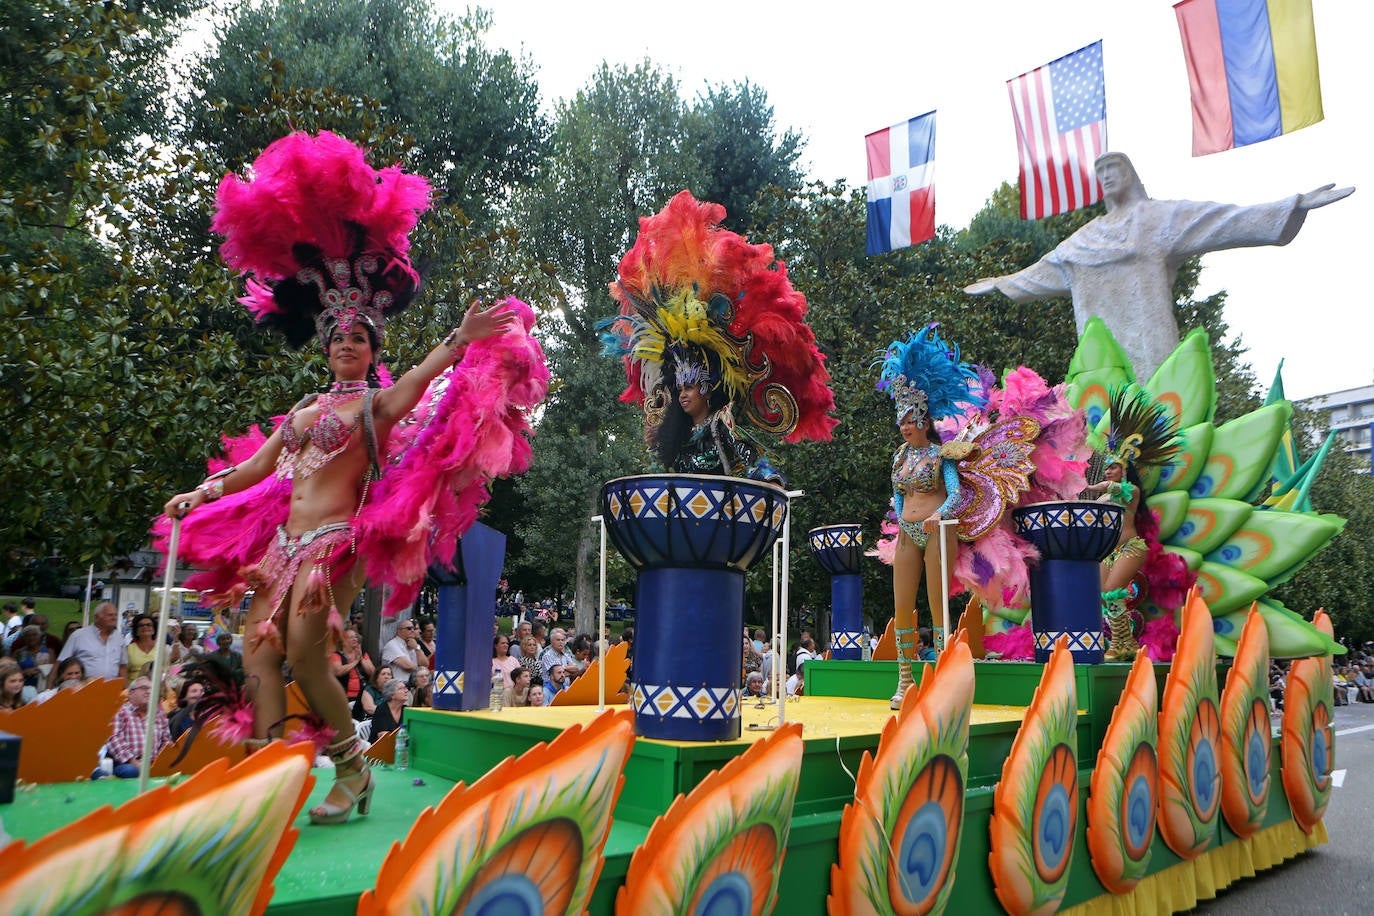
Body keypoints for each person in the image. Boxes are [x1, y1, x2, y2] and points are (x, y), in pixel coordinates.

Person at [158, 131, 539, 827]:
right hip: (283, 546)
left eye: (357, 337)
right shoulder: (305, 409)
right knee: (258, 654)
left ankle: (354, 770)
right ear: (325, 343)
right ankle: (271, 777)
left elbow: (421, 379)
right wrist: (202, 493)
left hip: (334, 543)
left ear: (371, 348)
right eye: (336, 336)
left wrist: (457, 339)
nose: (344, 343)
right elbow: (256, 468)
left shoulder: (374, 407)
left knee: (306, 653)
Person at [964, 151, 1354, 379]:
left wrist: (1291, 205)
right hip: (1101, 365)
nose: (1105, 178)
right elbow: (1044, 272)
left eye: (1112, 171)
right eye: (1100, 174)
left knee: (1159, 413)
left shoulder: (1157, 220)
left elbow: (1220, 221)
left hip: (1151, 346)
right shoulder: (1084, 239)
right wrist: (1002, 282)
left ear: (1129, 175)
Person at [599, 191, 837, 483]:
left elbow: (758, 465)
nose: (683, 394)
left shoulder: (720, 425)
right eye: (680, 387)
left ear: (708, 390)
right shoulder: (679, 435)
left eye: (689, 386)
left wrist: (768, 479)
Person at [878, 326, 983, 708]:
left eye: (911, 420)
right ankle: (905, 679)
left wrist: (938, 517)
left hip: (938, 533)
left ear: (924, 421)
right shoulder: (898, 457)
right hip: (907, 533)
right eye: (901, 421)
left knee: (938, 603)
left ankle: (939, 673)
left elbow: (956, 494)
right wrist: (903, 515)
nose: (905, 427)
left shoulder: (942, 456)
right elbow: (897, 492)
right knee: (901, 604)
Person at [1083, 386, 1182, 661]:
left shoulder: (1130, 491)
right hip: (1109, 552)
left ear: (1125, 470)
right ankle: (1124, 643)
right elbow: (1096, 506)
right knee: (1105, 596)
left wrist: (1094, 488)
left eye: (1114, 467)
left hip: (1131, 548)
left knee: (1112, 591)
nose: (1109, 471)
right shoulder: (1106, 494)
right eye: (1107, 467)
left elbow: (1110, 490)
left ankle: (1119, 645)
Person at [104, 675, 171, 778]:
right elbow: (114, 739)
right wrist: (134, 762)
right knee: (131, 771)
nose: (148, 692)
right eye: (144, 688)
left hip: (154, 762)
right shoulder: (120, 711)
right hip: (127, 763)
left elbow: (166, 742)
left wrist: (159, 763)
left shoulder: (159, 715)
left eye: (151, 689)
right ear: (130, 693)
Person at [53, 601, 126, 685]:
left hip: (110, 689)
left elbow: (122, 667)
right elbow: (61, 663)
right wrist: (49, 688)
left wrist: (124, 689)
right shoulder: (79, 635)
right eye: (109, 615)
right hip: (83, 688)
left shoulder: (119, 638)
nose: (114, 618)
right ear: (96, 617)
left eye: (115, 615)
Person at [332, 627, 375, 708]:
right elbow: (339, 671)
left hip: (363, 696)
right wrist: (355, 661)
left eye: (355, 637)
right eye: (351, 637)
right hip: (344, 697)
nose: (355, 639)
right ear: (343, 641)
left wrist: (361, 658)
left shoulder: (362, 655)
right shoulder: (336, 655)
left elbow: (373, 673)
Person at [125, 613, 165, 685]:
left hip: (156, 689)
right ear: (136, 630)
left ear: (154, 629)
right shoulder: (128, 649)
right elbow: (124, 672)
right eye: (141, 625)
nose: (145, 627)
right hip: (135, 689)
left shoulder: (162, 649)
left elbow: (170, 667)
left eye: (149, 625)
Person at [13, 625, 54, 691]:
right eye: (27, 635)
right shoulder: (18, 653)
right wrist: (24, 673)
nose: (31, 638)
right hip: (24, 688)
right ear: (23, 638)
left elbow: (53, 671)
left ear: (40, 636)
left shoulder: (49, 652)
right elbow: (11, 673)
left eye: (34, 635)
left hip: (44, 686)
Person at [382, 619, 423, 684]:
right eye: (409, 628)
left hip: (411, 685)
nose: (412, 631)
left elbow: (425, 664)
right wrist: (422, 672)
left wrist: (417, 648)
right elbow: (408, 666)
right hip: (396, 686)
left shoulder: (413, 644)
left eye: (413, 628)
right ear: (399, 631)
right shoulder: (392, 645)